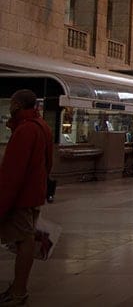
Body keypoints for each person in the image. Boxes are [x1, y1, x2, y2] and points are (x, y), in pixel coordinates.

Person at [0, 89, 54, 305]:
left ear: (17, 106)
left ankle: (19, 291)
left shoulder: (25, 131)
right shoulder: (42, 127)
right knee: (27, 237)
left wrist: (3, 204)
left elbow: (13, 171)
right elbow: (48, 163)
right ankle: (17, 287)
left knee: (24, 240)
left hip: (22, 196)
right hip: (34, 193)